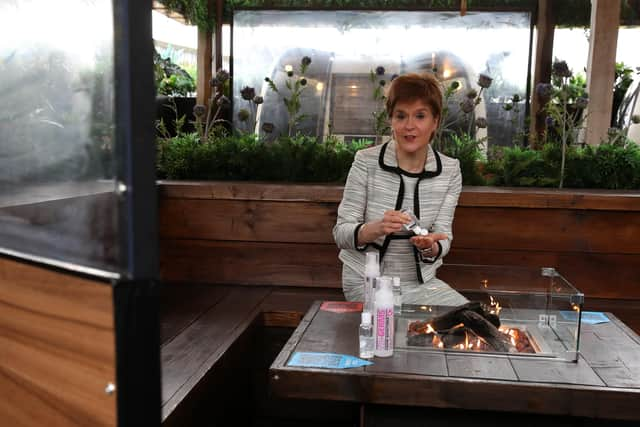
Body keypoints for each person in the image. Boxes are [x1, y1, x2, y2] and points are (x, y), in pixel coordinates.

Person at [333, 72, 467, 306]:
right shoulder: (366, 161)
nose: (409, 126)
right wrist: (374, 229)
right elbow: (341, 233)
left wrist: (431, 246)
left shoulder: (450, 170)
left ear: (435, 121)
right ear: (391, 120)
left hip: (421, 284)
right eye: (401, 116)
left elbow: (444, 234)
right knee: (394, 329)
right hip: (367, 281)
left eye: (420, 116)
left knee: (471, 320)